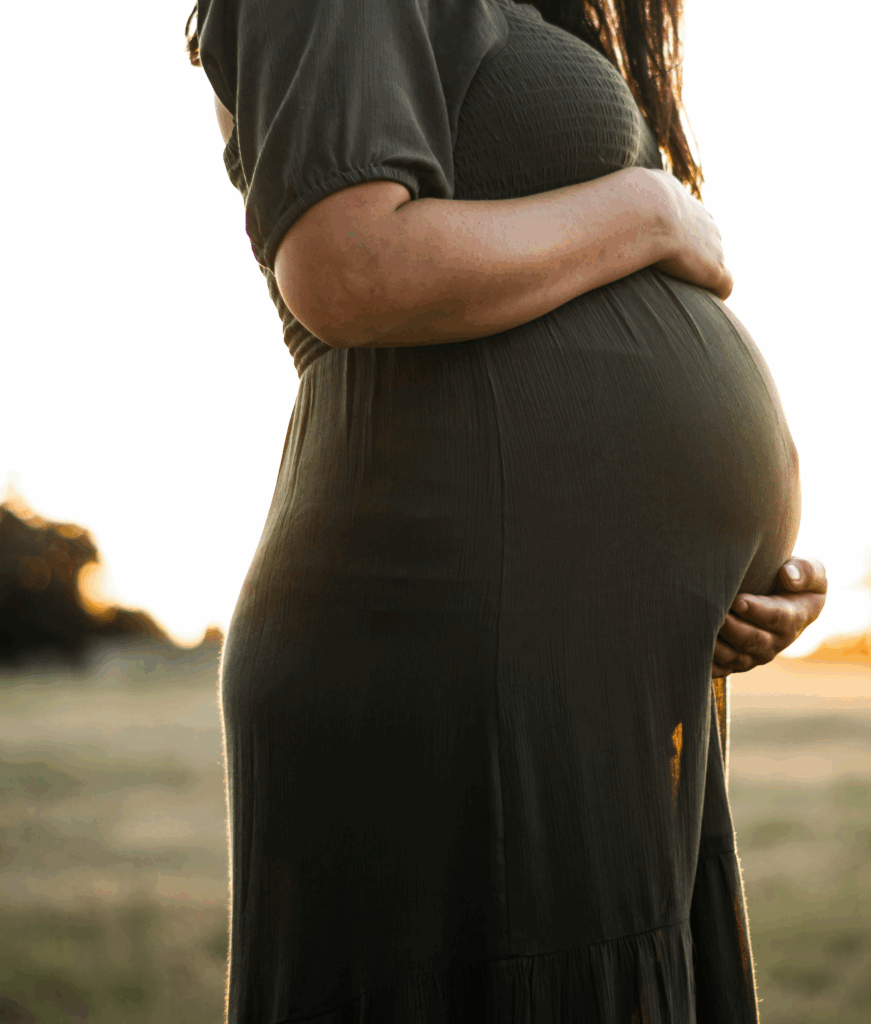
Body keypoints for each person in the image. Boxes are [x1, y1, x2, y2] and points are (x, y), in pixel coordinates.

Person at [187, 0, 827, 1020]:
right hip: (453, 642)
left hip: (569, 660)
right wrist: (649, 209)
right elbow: (349, 263)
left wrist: (723, 578)